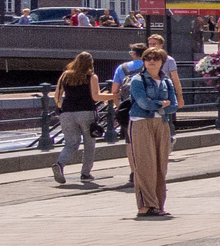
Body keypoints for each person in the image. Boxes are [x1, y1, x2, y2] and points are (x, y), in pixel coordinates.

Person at [124, 48, 179, 218]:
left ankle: (158, 205)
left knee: (160, 166)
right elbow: (142, 103)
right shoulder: (137, 80)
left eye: (156, 58)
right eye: (147, 58)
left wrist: (158, 103)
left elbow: (174, 105)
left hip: (161, 122)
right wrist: (162, 103)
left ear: (162, 61)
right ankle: (146, 205)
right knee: (145, 165)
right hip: (141, 122)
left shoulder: (166, 81)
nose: (151, 61)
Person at [52, 52, 113, 185]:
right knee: (89, 143)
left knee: (71, 142)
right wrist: (113, 95)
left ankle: (60, 164)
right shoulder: (91, 77)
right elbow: (96, 97)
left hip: (67, 113)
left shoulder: (65, 75)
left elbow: (57, 97)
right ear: (91, 63)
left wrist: (63, 107)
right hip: (86, 112)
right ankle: (85, 173)